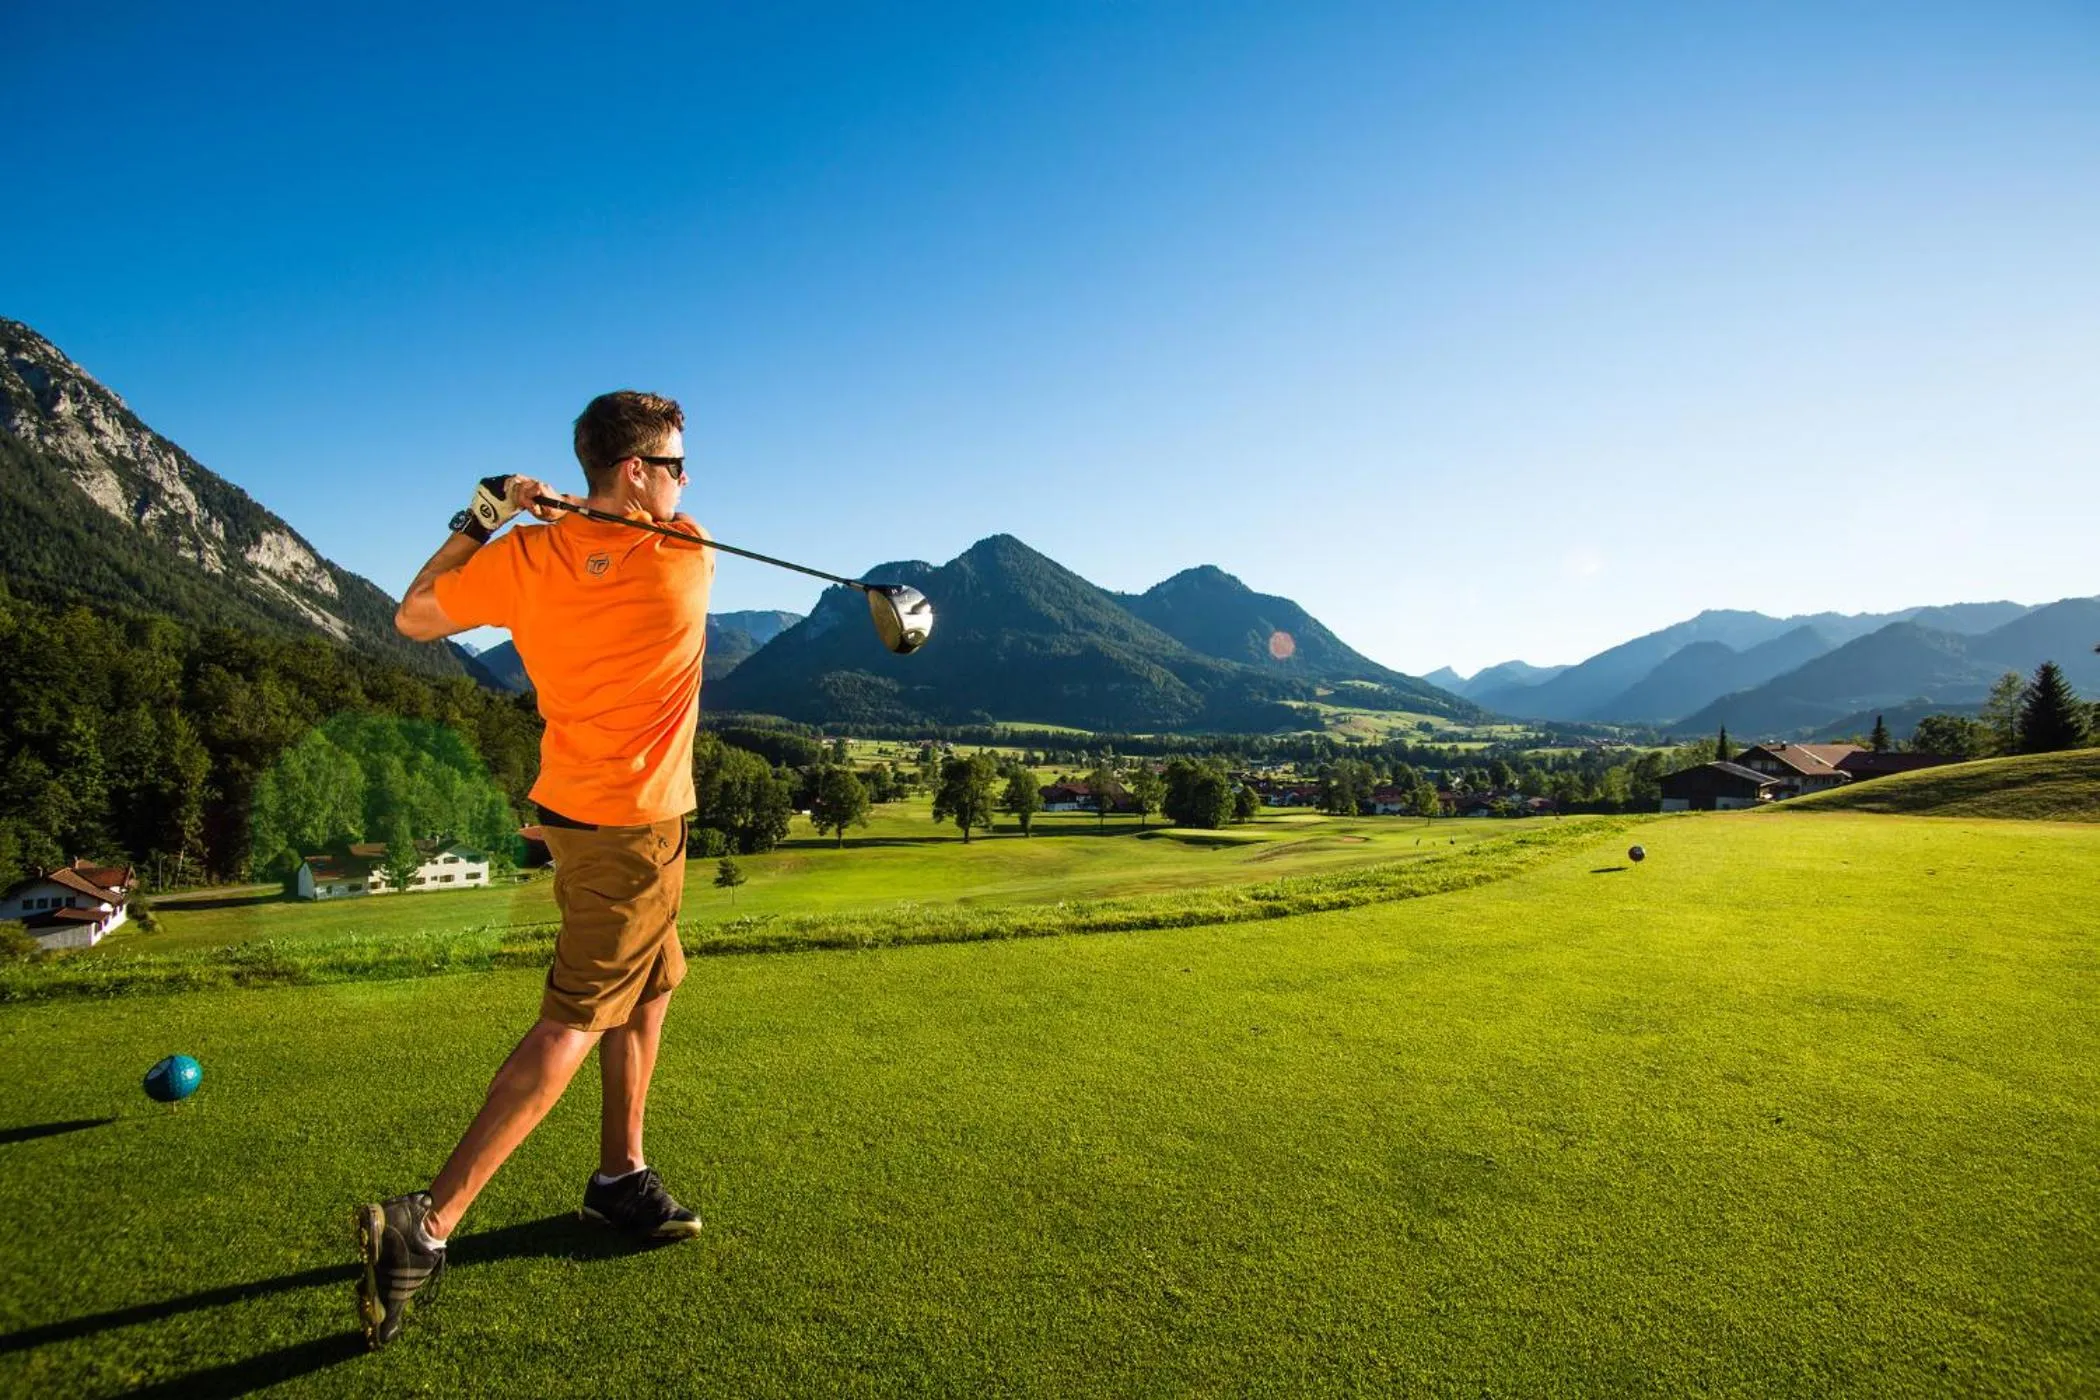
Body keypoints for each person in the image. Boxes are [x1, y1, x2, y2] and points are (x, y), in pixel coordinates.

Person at [355, 390, 714, 1350]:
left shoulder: (520, 555)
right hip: (636, 831)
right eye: (676, 464)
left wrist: (492, 514)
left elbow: (414, 616)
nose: (688, 481)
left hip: (572, 813)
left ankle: (619, 1177)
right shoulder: (684, 555)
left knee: (652, 982)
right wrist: (578, 516)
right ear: (635, 472)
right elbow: (632, 534)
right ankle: (425, 1226)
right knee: (575, 1015)